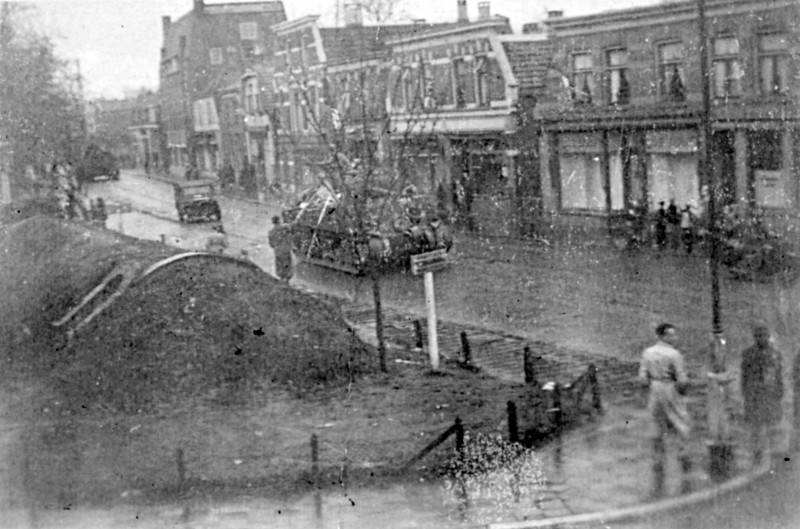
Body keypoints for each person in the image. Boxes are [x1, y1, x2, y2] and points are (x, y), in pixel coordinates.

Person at [638, 323, 692, 496]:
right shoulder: (674, 354)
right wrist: (682, 390)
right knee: (680, 419)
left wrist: (649, 387)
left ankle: (657, 456)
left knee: (656, 422)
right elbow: (682, 379)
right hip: (669, 387)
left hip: (654, 389)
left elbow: (642, 377)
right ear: (663, 336)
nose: (674, 338)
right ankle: (683, 452)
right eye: (671, 335)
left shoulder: (647, 353)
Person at [741, 325, 784, 466]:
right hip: (754, 395)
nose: (762, 339)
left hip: (771, 394)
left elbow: (779, 375)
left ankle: (774, 453)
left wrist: (779, 390)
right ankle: (757, 454)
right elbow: (744, 376)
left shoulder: (775, 354)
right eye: (758, 336)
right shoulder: (748, 354)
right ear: (754, 338)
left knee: (773, 424)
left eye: (764, 336)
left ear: (768, 336)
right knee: (756, 427)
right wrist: (746, 393)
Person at [269, 215, 293, 283]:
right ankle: (287, 280)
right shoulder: (285, 227)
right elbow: (291, 229)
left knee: (279, 265)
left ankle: (281, 278)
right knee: (287, 265)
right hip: (286, 250)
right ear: (279, 220)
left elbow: (271, 244)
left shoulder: (271, 232)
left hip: (277, 251)